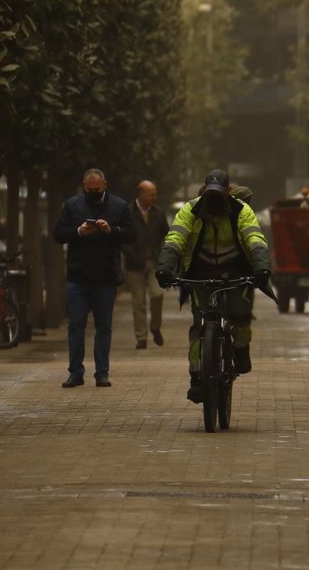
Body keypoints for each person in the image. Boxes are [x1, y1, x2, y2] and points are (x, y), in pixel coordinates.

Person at [156, 168, 272, 403]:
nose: (215, 197)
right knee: (199, 324)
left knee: (240, 316)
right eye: (211, 192)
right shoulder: (192, 209)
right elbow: (176, 237)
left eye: (219, 193)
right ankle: (197, 377)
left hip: (235, 270)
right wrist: (165, 267)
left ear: (228, 191)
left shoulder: (241, 210)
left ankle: (240, 350)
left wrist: (261, 267)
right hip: (201, 271)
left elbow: (254, 238)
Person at [52, 168, 134, 387]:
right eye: (89, 190)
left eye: (97, 190)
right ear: (83, 186)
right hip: (78, 277)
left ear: (105, 185)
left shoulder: (119, 206)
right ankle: (76, 372)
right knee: (76, 325)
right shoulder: (73, 205)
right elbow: (58, 234)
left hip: (105, 277)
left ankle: (101, 372)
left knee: (103, 326)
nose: (93, 194)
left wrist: (112, 230)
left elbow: (131, 234)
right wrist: (78, 231)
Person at [123, 179, 168, 349]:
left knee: (157, 294)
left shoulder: (159, 213)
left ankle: (155, 327)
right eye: (151, 194)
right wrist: (128, 252)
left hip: (153, 262)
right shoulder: (127, 213)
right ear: (141, 194)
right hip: (134, 264)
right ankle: (141, 337)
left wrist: (165, 254)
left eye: (155, 194)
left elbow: (167, 235)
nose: (154, 198)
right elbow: (121, 236)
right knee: (138, 302)